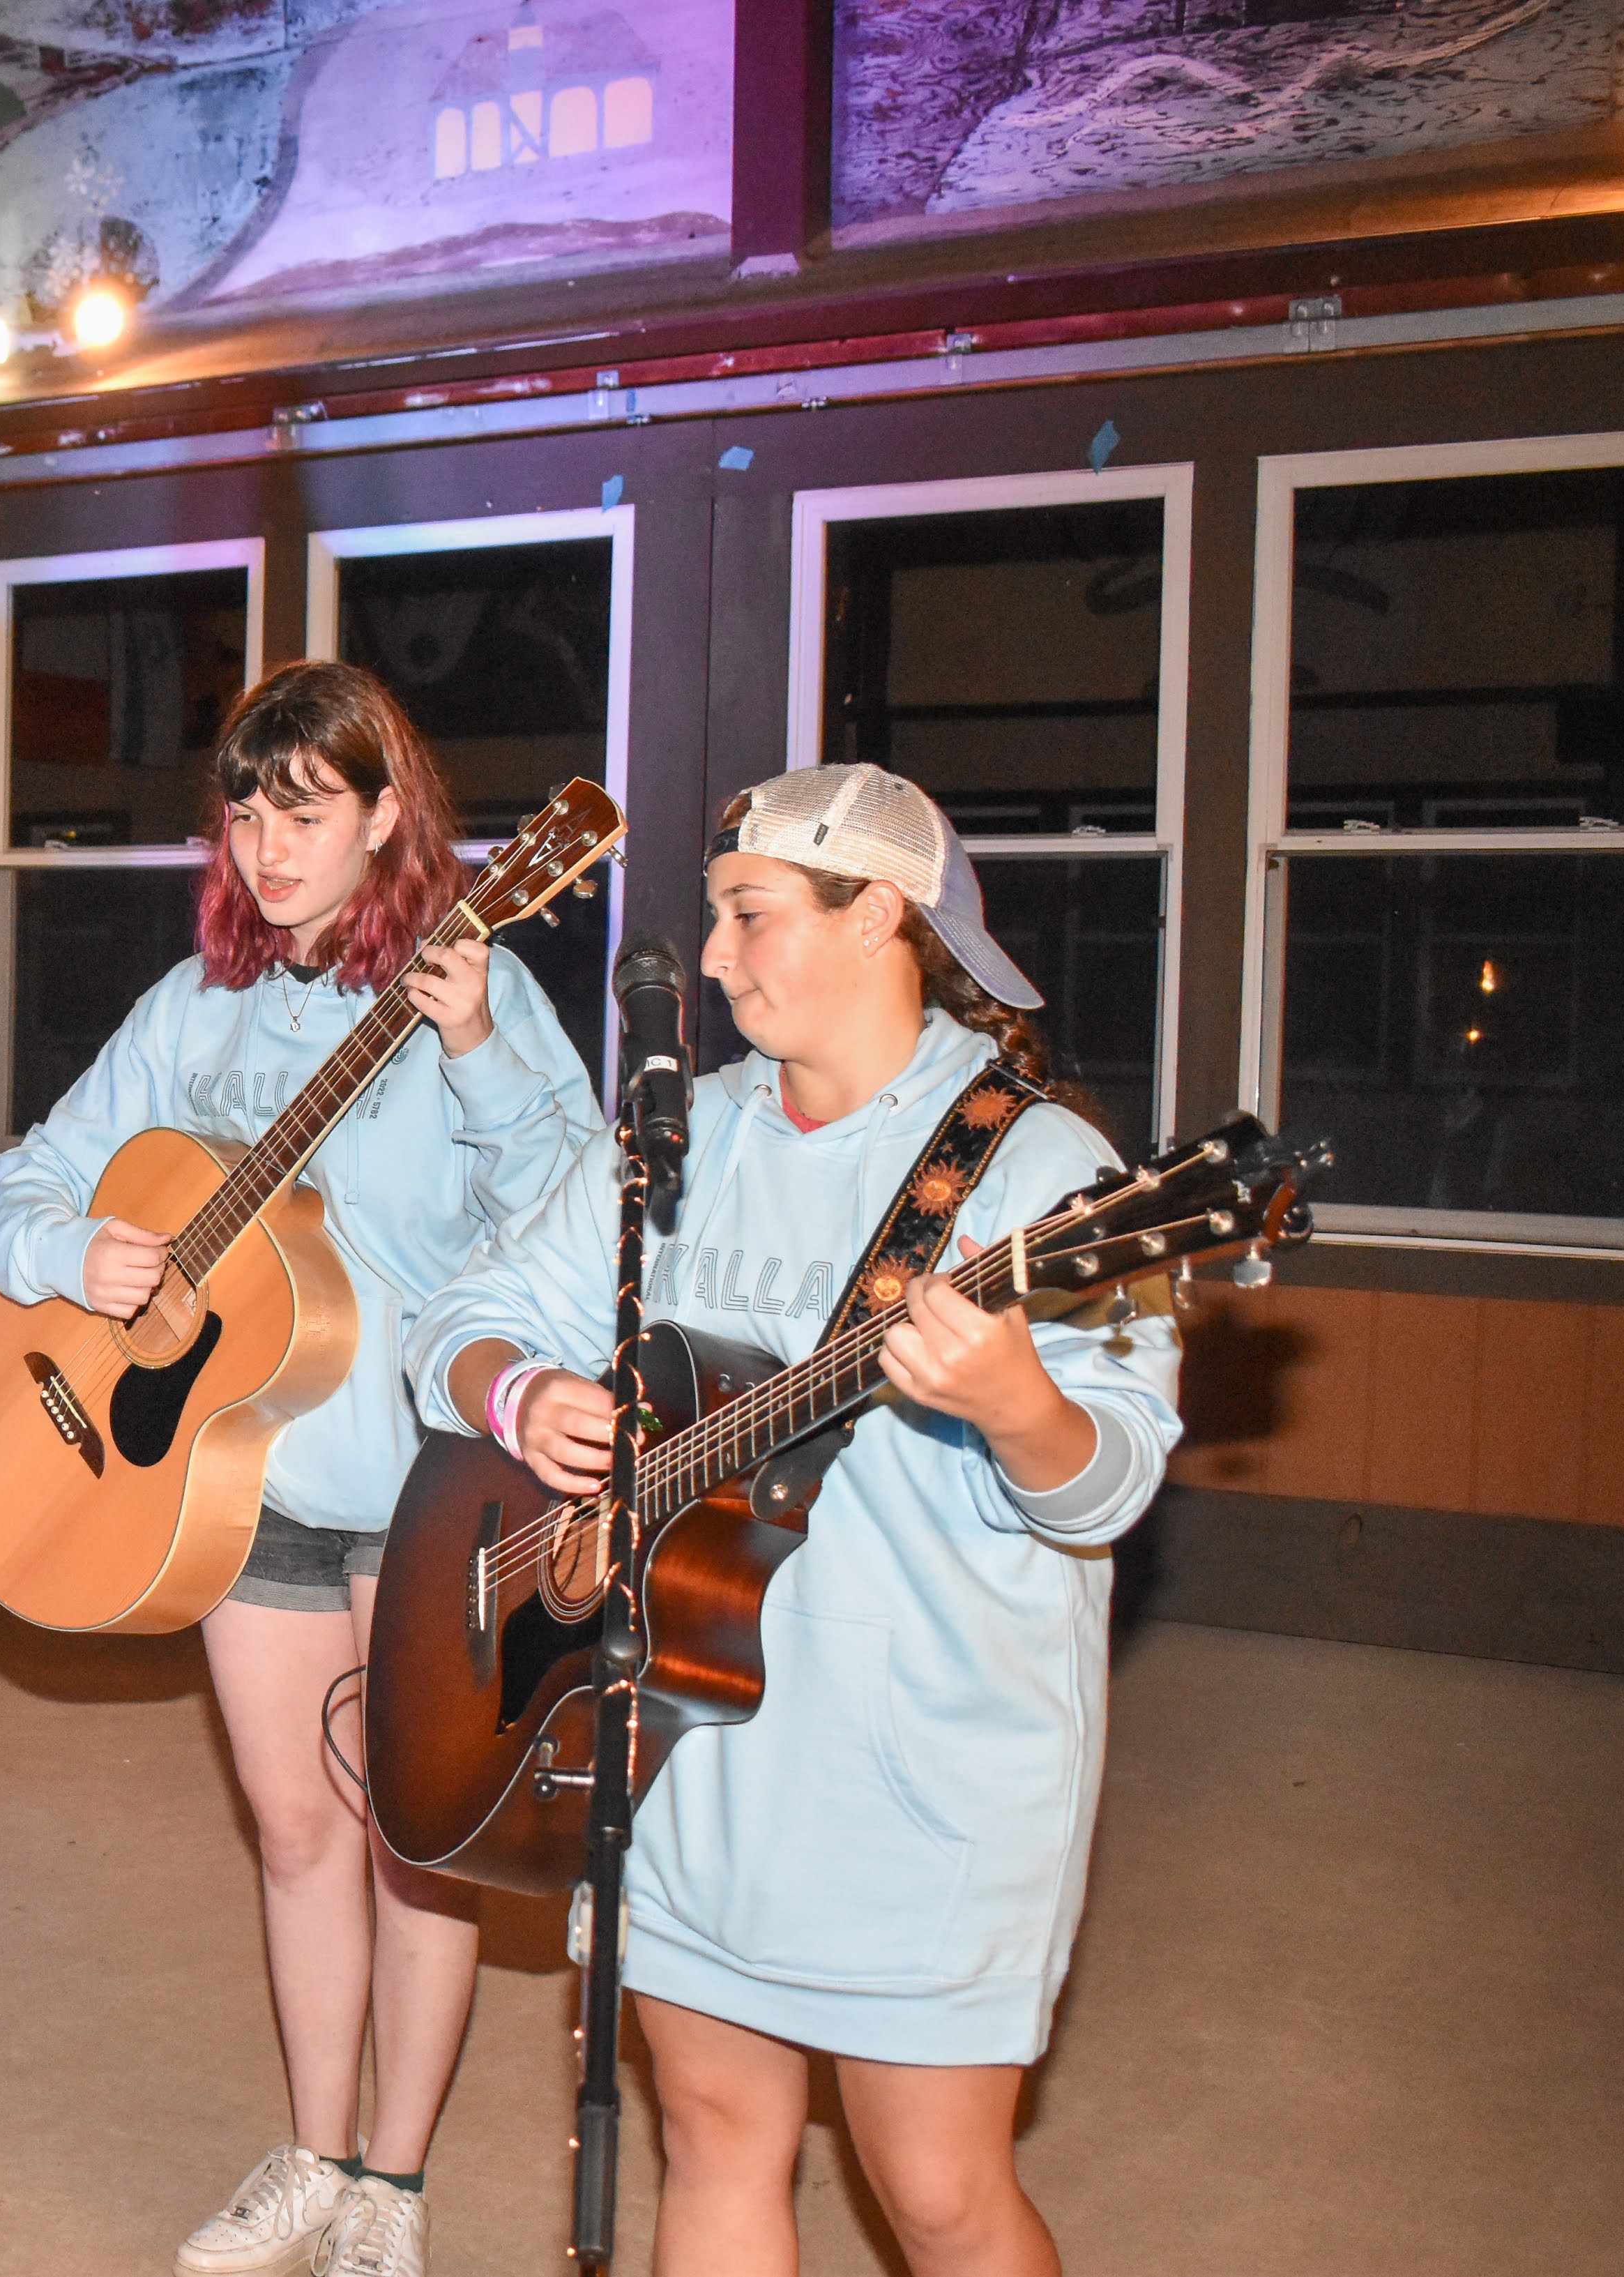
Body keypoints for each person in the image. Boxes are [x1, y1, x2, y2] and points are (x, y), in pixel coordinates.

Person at [411, 764, 1181, 2277]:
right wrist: (516, 1396)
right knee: (709, 2138)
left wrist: (1020, 1401)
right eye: (712, 920)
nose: (710, 958)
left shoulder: (1040, 1176)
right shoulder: (676, 1137)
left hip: (923, 1760)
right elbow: (468, 1312)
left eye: (749, 917)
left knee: (938, 2192)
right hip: (689, 1741)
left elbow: (1111, 1484)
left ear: (879, 911)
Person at [0, 660, 599, 2277]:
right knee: (292, 1828)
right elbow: (25, 1177)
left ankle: (392, 2184)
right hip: (232, 1474)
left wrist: (469, 1054)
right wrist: (78, 1246)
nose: (265, 842)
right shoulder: (194, 1008)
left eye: (304, 808)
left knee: (410, 1828)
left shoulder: (480, 986)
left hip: (423, 1477)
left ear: (387, 815)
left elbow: (564, 1199)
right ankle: (315, 2149)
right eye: (244, 807)